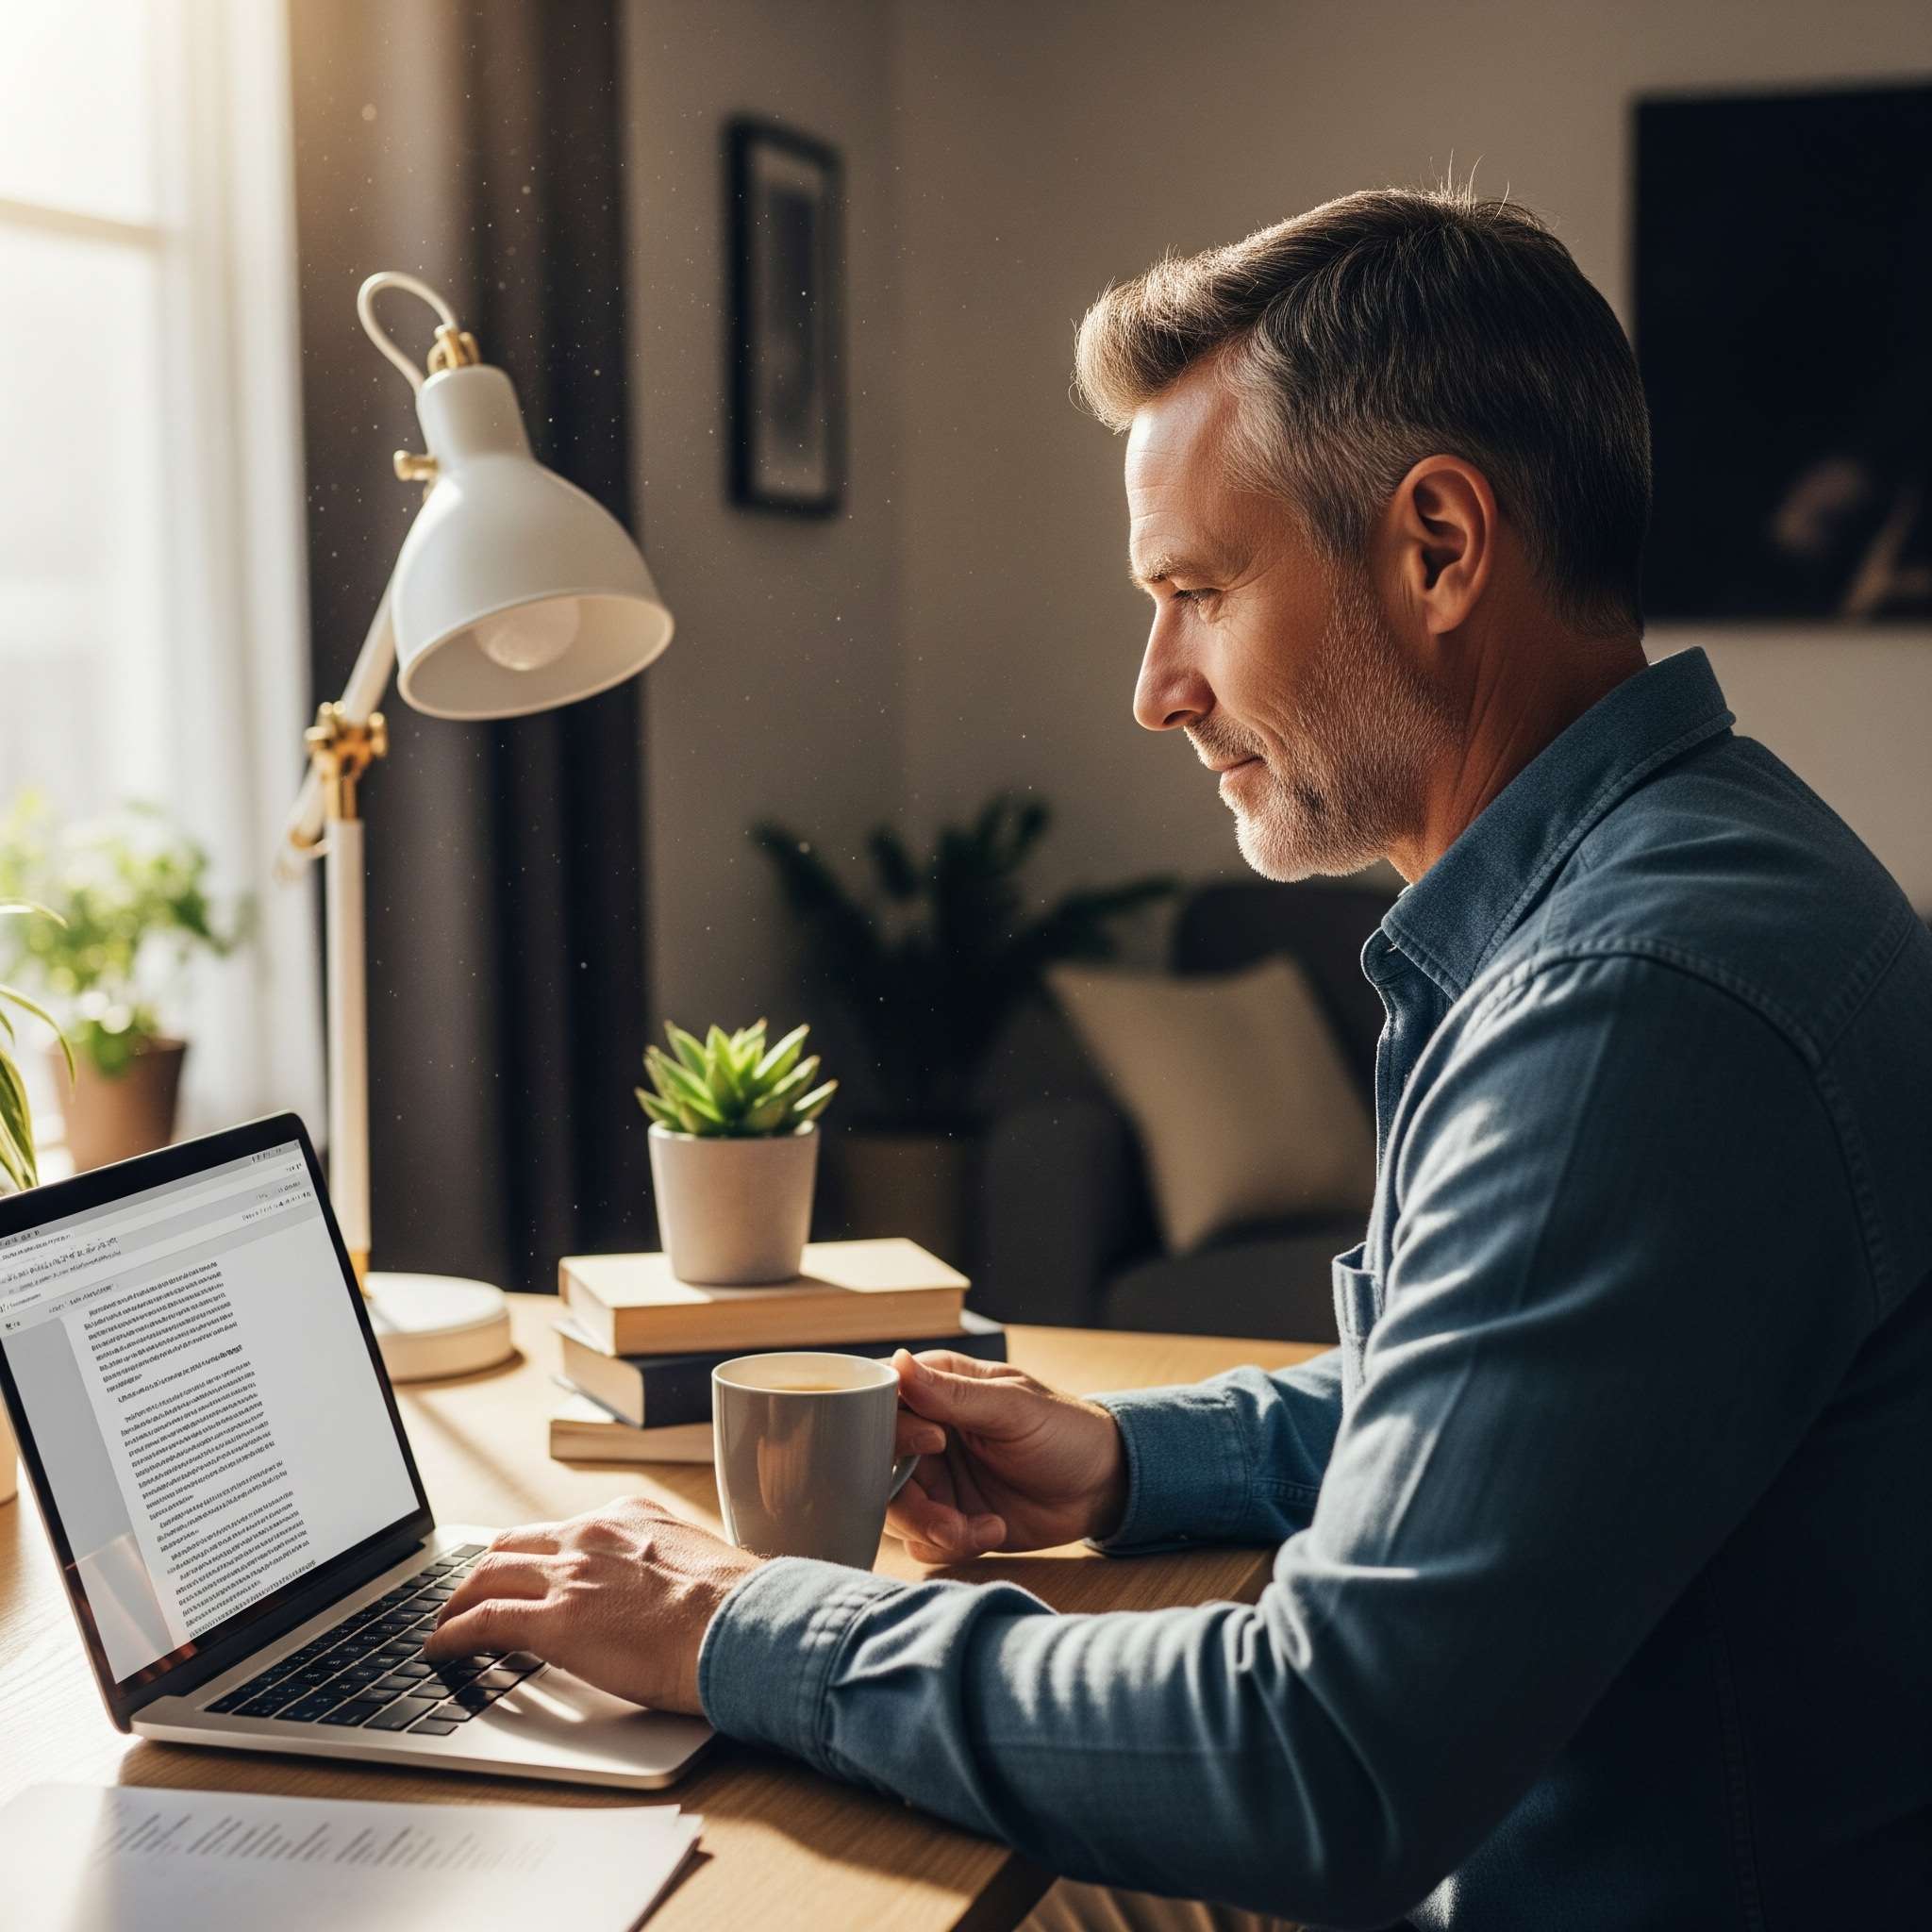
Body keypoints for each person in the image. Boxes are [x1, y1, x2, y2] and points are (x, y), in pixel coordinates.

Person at [424, 188, 1932, 1928]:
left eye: (1198, 591)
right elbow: (1518, 1411)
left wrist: (730, 1625)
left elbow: (1323, 1758)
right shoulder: (1684, 876)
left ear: (1439, 544)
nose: (1156, 687)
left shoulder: (1635, 1004)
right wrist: (1134, 1460)